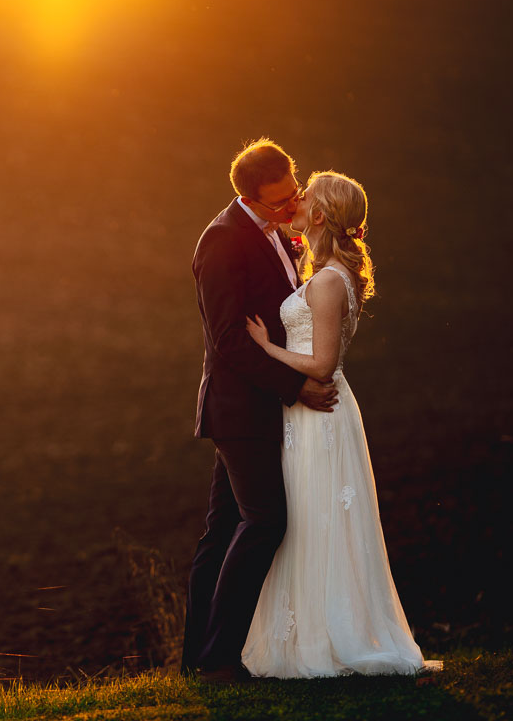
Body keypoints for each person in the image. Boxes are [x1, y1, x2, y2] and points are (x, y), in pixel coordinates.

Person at [240, 171, 437, 677]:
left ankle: (328, 639)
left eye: (305, 196)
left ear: (321, 214)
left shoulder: (328, 281)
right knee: (307, 517)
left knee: (316, 517)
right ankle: (309, 634)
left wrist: (266, 348)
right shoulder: (327, 272)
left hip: (320, 413)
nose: (297, 201)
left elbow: (323, 365)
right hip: (307, 413)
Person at [181, 139, 338, 683]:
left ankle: (200, 658)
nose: (291, 206)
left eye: (294, 193)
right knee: (265, 521)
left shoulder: (278, 231)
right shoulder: (223, 242)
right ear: (248, 199)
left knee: (222, 531)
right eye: (279, 202)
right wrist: (296, 387)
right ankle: (220, 658)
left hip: (263, 407)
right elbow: (227, 339)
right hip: (241, 408)